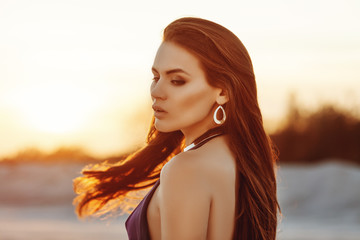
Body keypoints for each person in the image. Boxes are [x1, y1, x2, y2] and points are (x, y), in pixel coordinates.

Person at [73, 17, 279, 240]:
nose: (156, 91)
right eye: (156, 76)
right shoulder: (243, 160)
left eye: (177, 80)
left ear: (223, 92)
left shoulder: (186, 168)